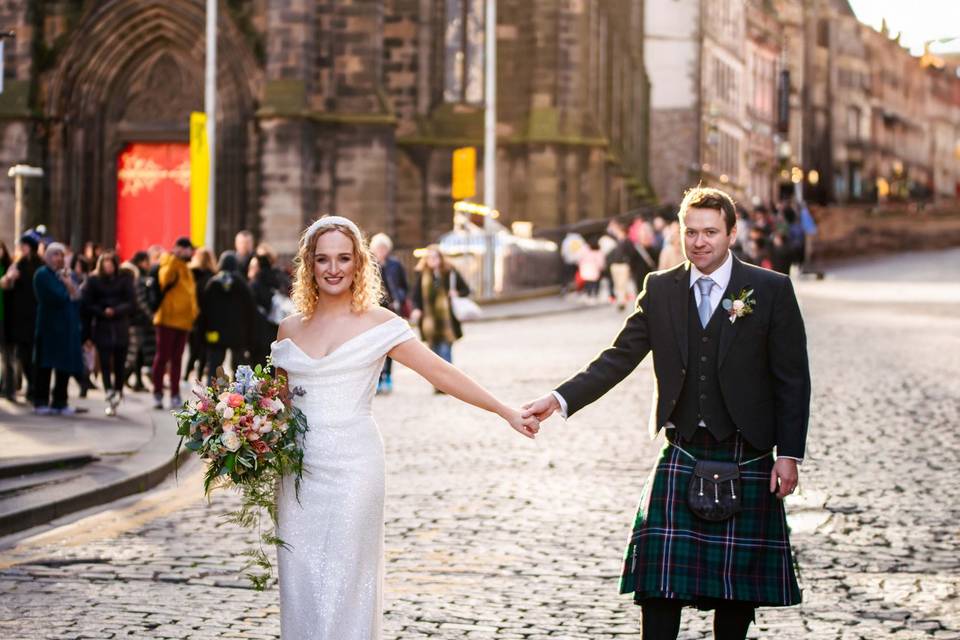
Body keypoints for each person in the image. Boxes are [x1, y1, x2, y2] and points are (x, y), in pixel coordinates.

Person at [523, 186, 809, 640]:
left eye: (710, 232)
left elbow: (792, 379)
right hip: (683, 452)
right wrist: (558, 400)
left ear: (732, 233)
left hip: (747, 452)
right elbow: (618, 357)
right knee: (657, 590)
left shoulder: (770, 290)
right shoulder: (660, 289)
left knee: (735, 597)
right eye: (690, 232)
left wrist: (788, 454)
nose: (699, 242)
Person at [269, 215, 539, 638]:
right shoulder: (288, 328)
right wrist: (241, 428)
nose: (334, 268)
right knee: (300, 577)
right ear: (309, 265)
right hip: (297, 473)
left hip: (354, 468)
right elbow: (279, 407)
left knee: (345, 577)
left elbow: (441, 373)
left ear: (359, 264)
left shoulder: (381, 325)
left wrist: (504, 409)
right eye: (323, 260)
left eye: (344, 258)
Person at [32, 243, 84, 415]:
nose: (59, 258)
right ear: (47, 257)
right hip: (48, 328)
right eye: (55, 254)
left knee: (64, 366)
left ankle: (60, 402)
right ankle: (41, 401)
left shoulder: (67, 275)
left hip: (67, 329)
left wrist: (69, 284)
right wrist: (68, 287)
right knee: (44, 366)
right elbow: (60, 297)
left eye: (61, 255)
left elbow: (77, 297)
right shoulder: (42, 275)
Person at [82, 252, 136, 416]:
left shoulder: (125, 280)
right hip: (102, 326)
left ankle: (118, 390)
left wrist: (116, 310)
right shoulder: (93, 281)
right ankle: (109, 392)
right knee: (104, 363)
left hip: (120, 327)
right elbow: (87, 305)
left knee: (119, 364)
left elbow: (132, 303)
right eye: (105, 264)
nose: (108, 267)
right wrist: (102, 313)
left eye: (110, 264)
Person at [151, 237, 198, 409]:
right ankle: (157, 392)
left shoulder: (186, 267)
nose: (190, 253)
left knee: (177, 360)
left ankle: (175, 394)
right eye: (187, 249)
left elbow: (190, 294)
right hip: (167, 319)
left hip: (183, 322)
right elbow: (165, 280)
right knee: (162, 357)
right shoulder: (168, 262)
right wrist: (173, 256)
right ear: (179, 248)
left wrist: (193, 314)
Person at [200, 251, 255, 385]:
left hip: (216, 333)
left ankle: (211, 396)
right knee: (240, 367)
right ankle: (240, 397)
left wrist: (204, 330)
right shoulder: (242, 284)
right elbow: (251, 309)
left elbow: (204, 309)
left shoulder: (213, 283)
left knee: (214, 366)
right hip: (238, 334)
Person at [410, 245, 469, 366]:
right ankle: (438, 384)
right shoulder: (422, 275)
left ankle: (446, 383)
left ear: (441, 258)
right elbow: (415, 296)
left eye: (435, 257)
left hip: (447, 323)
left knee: (445, 353)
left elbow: (466, 290)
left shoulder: (450, 273)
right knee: (434, 357)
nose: (433, 260)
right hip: (429, 324)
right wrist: (416, 309)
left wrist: (456, 292)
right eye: (430, 257)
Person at [1, 234, 43, 402]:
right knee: (22, 355)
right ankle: (28, 386)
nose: (21, 248)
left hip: (35, 315)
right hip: (19, 317)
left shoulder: (39, 265)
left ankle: (34, 388)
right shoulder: (18, 264)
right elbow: (6, 285)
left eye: (24, 246)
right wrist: (10, 278)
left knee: (31, 355)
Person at [369, 232, 408, 394]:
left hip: (391, 308)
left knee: (391, 345)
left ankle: (388, 376)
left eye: (384, 248)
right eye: (379, 248)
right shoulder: (369, 265)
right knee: (375, 346)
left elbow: (404, 285)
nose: (381, 251)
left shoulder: (395, 264)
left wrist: (399, 296)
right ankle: (377, 379)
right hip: (373, 310)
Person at [184, 247, 217, 382]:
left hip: (193, 317)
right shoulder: (212, 276)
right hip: (207, 318)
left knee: (193, 349)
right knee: (204, 349)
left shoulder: (191, 275)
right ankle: (198, 376)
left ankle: (186, 376)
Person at [123, 251, 154, 392]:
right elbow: (141, 301)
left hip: (138, 321)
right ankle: (122, 380)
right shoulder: (138, 277)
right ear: (142, 262)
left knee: (139, 353)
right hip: (137, 321)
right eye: (148, 261)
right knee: (135, 353)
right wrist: (151, 316)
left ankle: (137, 382)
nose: (149, 264)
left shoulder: (140, 275)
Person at [248, 253, 281, 367]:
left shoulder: (254, 285)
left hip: (256, 336)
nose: (249, 269)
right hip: (275, 333)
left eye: (252, 266)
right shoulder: (277, 281)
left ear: (259, 268)